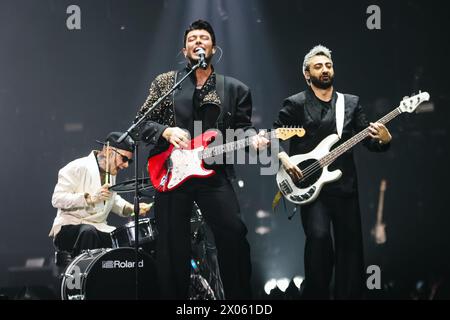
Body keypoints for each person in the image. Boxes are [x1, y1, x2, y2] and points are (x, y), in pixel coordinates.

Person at [135, 19, 268, 299]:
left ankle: (239, 300)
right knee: (171, 247)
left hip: (213, 172)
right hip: (171, 173)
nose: (198, 42)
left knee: (233, 233)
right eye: (192, 38)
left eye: (204, 38)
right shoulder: (166, 83)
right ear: (184, 51)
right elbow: (140, 124)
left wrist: (253, 139)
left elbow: (242, 128)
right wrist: (166, 131)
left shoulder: (235, 89)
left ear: (213, 48)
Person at [273, 45, 392, 299]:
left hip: (344, 186)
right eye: (318, 66)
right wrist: (283, 158)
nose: (325, 70)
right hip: (311, 187)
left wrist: (383, 139)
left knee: (350, 250)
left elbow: (369, 141)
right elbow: (275, 136)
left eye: (328, 65)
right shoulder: (295, 104)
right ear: (307, 74)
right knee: (318, 238)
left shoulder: (351, 103)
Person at [49, 132, 152, 258]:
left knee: (123, 239)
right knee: (88, 232)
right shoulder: (76, 167)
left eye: (129, 162)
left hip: (98, 228)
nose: (125, 165)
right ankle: (88, 276)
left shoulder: (111, 171)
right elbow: (57, 199)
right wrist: (89, 198)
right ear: (109, 151)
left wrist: (131, 208)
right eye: (124, 159)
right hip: (70, 227)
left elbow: (111, 199)